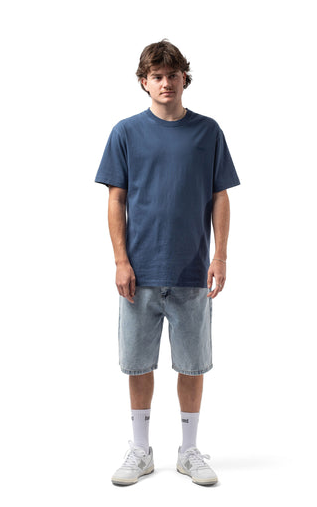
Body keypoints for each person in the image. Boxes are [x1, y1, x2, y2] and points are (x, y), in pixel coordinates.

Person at [95, 39, 240, 486]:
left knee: (192, 364)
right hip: (139, 272)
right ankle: (140, 450)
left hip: (192, 270)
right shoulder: (125, 132)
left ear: (184, 79)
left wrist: (220, 256)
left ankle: (188, 450)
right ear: (144, 82)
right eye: (156, 76)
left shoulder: (208, 132)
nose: (165, 83)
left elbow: (220, 196)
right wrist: (120, 260)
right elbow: (116, 199)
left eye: (172, 75)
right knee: (138, 363)